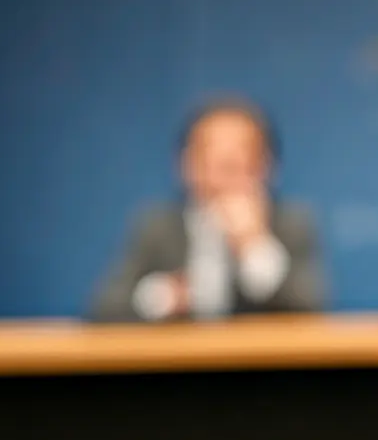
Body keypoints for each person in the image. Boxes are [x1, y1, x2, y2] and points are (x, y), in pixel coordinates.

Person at [90, 99, 326, 322]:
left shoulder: (290, 223)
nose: (226, 171)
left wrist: (254, 245)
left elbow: (310, 307)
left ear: (267, 166)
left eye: (240, 158)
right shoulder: (157, 226)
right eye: (212, 157)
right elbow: (106, 308)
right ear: (186, 164)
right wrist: (165, 296)